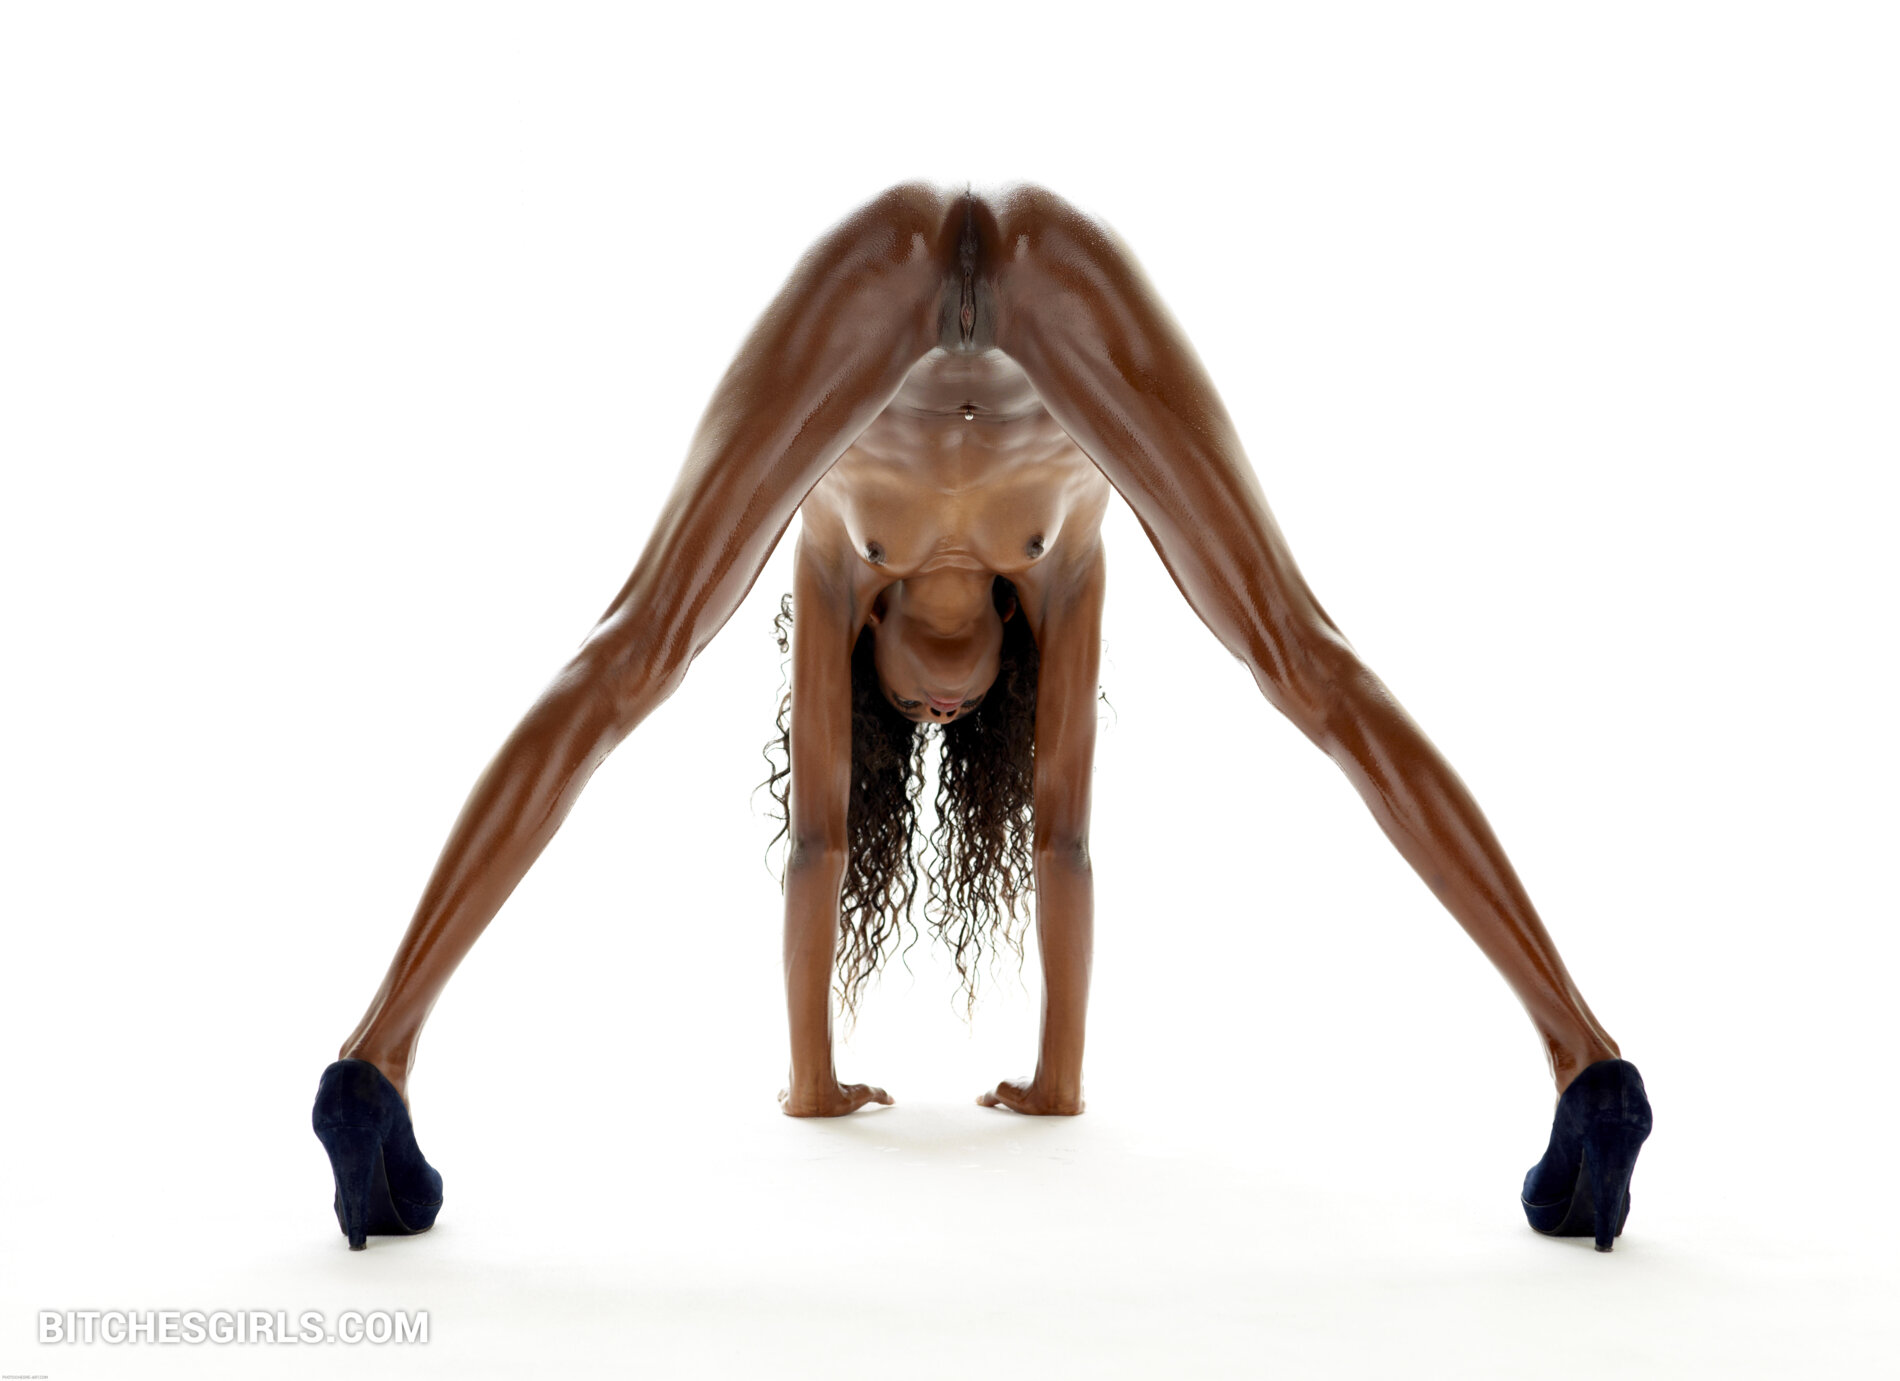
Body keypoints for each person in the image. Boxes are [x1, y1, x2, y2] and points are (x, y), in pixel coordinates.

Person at [310, 182, 1653, 1252]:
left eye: (917, 709)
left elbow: (1023, 835)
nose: (942, 702)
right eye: (947, 709)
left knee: (1306, 657)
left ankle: (1577, 1053)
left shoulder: (876, 557)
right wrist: (921, 1080)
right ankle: (1584, 1069)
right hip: (990, 286)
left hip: (950, 269)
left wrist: (926, 1082)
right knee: (633, 653)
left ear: (875, 658)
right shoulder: (999, 558)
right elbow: (870, 836)